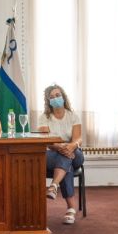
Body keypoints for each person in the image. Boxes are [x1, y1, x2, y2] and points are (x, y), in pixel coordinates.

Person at [36, 84, 83, 224]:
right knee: (65, 162)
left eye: (57, 95)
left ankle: (54, 185)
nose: (55, 98)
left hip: (75, 152)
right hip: (53, 153)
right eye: (52, 97)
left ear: (63, 97)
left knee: (68, 156)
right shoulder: (44, 117)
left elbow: (78, 139)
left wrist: (70, 146)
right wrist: (61, 148)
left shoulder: (73, 116)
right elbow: (46, 141)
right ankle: (70, 209)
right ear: (48, 101)